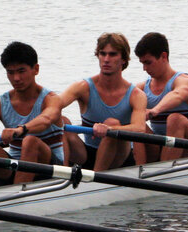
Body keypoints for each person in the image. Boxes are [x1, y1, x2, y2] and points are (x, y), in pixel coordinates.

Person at [0, 41, 66, 189]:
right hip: (15, 167)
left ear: (36, 69)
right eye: (10, 72)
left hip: (50, 168)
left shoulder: (51, 99)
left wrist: (21, 129)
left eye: (21, 71)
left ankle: (16, 197)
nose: (16, 78)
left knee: (30, 141)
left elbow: (46, 119)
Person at [59, 32, 147, 171]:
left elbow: (140, 128)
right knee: (60, 120)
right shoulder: (83, 87)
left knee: (112, 123)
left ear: (124, 59)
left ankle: (95, 179)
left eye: (112, 54)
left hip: (120, 157)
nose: (106, 59)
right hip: (88, 153)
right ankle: (61, 174)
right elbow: (53, 106)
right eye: (102, 54)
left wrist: (110, 129)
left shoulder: (136, 95)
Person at [132, 32, 188, 164]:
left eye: (148, 62)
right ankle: (138, 170)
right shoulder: (142, 87)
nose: (144, 68)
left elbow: (178, 94)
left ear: (164, 56)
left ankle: (162, 171)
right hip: (159, 146)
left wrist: (154, 110)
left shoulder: (183, 80)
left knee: (175, 119)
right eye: (142, 63)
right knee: (135, 123)